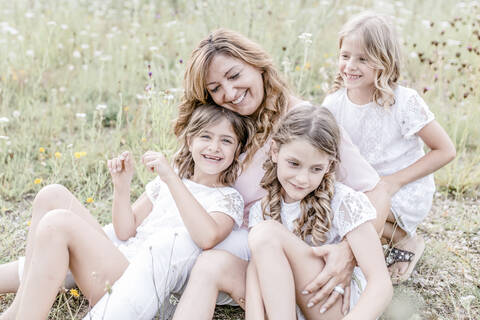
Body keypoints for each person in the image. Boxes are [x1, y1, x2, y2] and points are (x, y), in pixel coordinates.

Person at [171, 28, 392, 319]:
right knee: (211, 263)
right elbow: (253, 267)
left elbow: (375, 192)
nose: (229, 93)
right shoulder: (221, 131)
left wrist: (347, 252)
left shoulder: (309, 128)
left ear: (258, 66)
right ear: (276, 154)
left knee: (264, 235)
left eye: (235, 76)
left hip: (319, 281)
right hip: (268, 270)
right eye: (215, 88)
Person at [0, 104, 252, 320]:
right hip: (119, 258)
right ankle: (17, 309)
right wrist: (122, 187)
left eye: (226, 140)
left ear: (238, 150)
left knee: (58, 223)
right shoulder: (166, 183)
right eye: (206, 137)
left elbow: (207, 237)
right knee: (51, 194)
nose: (214, 147)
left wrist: (172, 179)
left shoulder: (227, 198)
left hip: (137, 283)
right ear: (190, 141)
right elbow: (125, 230)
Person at [321, 12, 456, 283]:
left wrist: (392, 182)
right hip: (361, 187)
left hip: (402, 188)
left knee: (359, 217)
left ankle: (404, 241)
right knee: (331, 215)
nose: (350, 66)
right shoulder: (334, 104)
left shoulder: (403, 102)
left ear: (383, 61)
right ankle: (386, 241)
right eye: (345, 56)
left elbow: (445, 150)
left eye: (362, 59)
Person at [246, 105, 392, 320]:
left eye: (316, 169)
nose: (303, 179)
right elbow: (255, 273)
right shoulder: (263, 208)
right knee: (261, 237)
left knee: (266, 233)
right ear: (275, 151)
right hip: (291, 305)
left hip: (336, 306)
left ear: (329, 165)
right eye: (294, 164)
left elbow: (381, 283)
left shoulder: (344, 201)